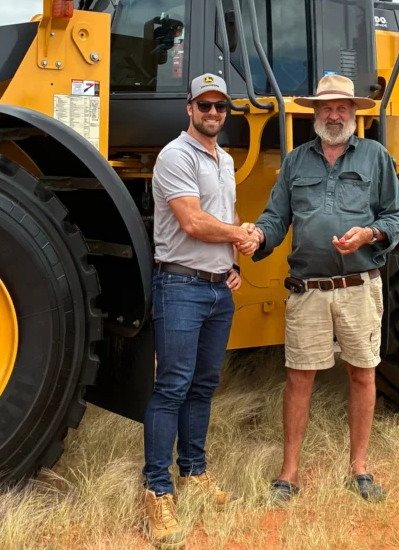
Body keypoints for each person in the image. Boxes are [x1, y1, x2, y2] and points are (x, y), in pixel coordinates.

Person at [250, 74, 399, 504]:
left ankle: (359, 469)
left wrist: (369, 235)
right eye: (325, 108)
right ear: (314, 114)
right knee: (299, 378)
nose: (333, 115)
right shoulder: (296, 161)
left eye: (342, 108)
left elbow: (396, 216)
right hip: (309, 290)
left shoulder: (375, 157)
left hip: (359, 286)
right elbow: (275, 218)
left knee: (362, 374)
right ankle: (289, 474)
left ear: (354, 113)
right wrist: (258, 238)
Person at [142, 73, 259, 547]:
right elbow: (191, 221)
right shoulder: (175, 156)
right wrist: (241, 236)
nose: (213, 114)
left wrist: (234, 257)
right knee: (171, 386)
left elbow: (223, 215)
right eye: (204, 105)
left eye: (220, 107)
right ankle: (156, 490)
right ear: (189, 109)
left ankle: (193, 473)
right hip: (180, 286)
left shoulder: (225, 159)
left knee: (204, 385)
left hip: (216, 289)